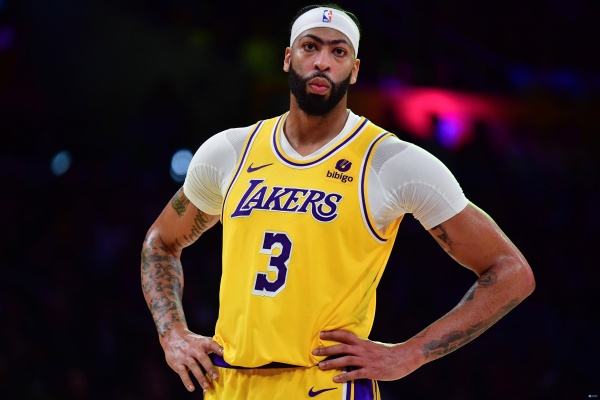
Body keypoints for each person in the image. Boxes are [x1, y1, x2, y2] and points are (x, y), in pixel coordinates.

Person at [141, 4, 535, 399]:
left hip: (327, 384)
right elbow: (161, 241)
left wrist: (411, 353)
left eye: (338, 51)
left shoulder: (391, 162)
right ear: (288, 58)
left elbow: (511, 271)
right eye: (310, 47)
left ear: (355, 69)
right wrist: (171, 333)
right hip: (229, 382)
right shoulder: (230, 150)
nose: (323, 62)